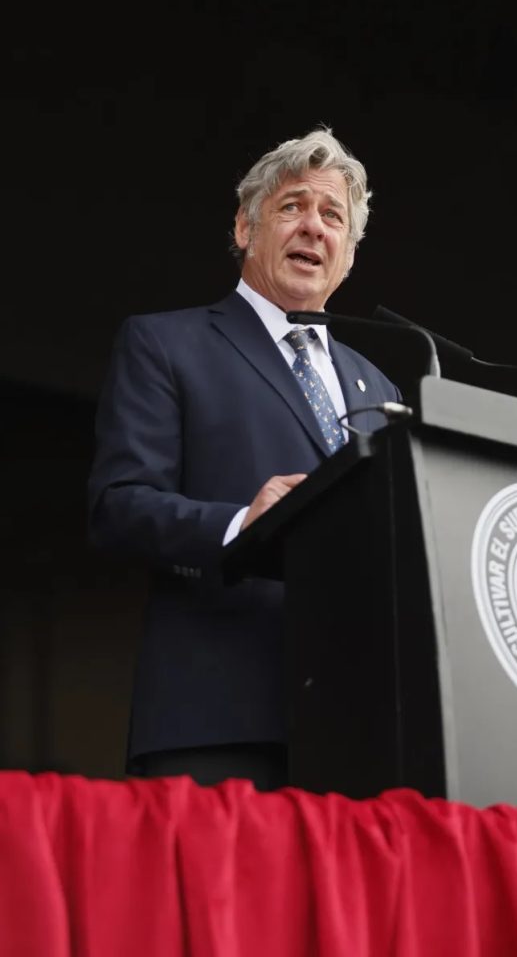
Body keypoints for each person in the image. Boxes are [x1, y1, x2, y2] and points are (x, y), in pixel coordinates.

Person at [88, 129, 400, 788]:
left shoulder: (381, 386)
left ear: (347, 255)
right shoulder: (165, 343)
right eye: (292, 206)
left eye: (333, 216)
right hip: (219, 720)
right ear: (244, 227)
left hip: (358, 730)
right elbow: (118, 507)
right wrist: (240, 526)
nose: (313, 227)